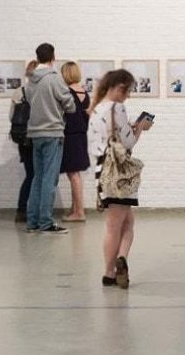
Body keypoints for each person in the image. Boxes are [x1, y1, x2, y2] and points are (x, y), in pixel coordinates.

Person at [87, 69, 152, 288]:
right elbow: (128, 143)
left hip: (102, 171)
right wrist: (140, 128)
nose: (128, 95)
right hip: (120, 173)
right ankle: (111, 271)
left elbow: (100, 141)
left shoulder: (96, 109)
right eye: (127, 90)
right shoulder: (117, 108)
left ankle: (118, 262)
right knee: (116, 225)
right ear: (118, 87)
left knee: (124, 221)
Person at [24, 43, 76, 234]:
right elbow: (70, 105)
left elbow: (30, 101)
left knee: (37, 178)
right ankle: (46, 222)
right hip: (53, 133)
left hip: (35, 133)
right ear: (53, 57)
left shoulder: (31, 80)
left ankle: (32, 222)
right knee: (49, 179)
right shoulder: (54, 79)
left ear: (37, 58)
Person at [60, 61, 91, 222]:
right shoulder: (84, 93)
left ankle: (79, 212)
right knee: (75, 174)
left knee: (74, 175)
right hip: (81, 136)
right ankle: (76, 209)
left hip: (70, 136)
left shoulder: (67, 93)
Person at [10, 60, 39, 223]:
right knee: (39, 175)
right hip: (39, 137)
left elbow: (11, 117)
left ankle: (21, 210)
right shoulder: (41, 91)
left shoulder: (18, 92)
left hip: (23, 139)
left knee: (30, 175)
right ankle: (37, 211)